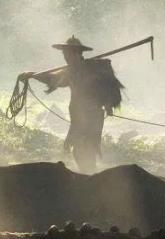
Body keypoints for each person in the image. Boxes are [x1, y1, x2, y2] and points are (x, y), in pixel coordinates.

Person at [23, 36, 123, 173]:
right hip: (78, 117)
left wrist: (108, 104)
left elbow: (105, 85)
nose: (65, 57)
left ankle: (90, 178)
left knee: (83, 150)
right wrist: (32, 75)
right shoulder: (71, 71)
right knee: (80, 150)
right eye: (64, 53)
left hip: (91, 117)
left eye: (68, 53)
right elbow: (52, 79)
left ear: (77, 53)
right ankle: (90, 176)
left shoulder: (91, 68)